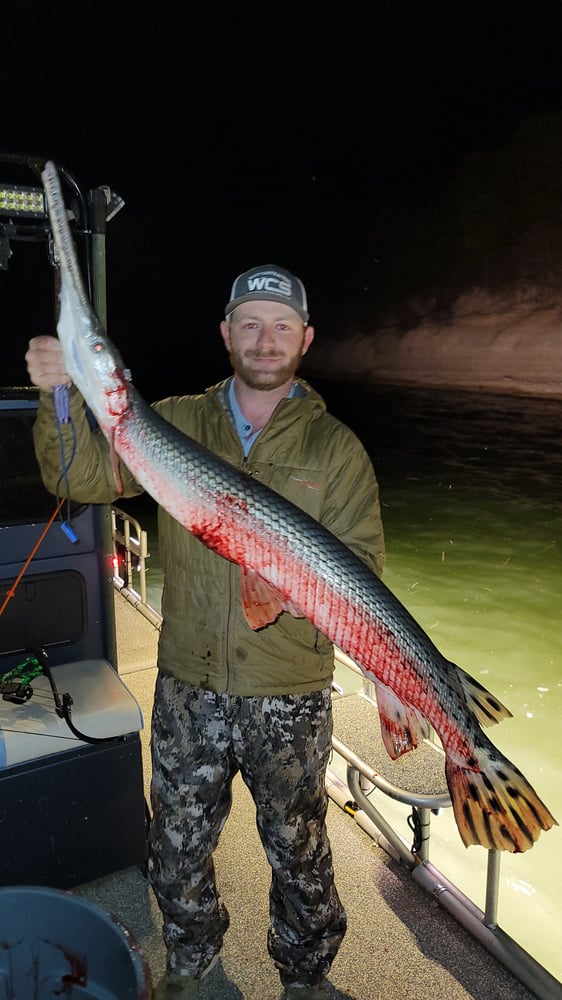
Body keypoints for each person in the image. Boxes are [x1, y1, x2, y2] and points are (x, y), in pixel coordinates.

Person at [26, 264, 385, 1000]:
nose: (265, 339)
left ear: (306, 339)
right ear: (225, 333)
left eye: (281, 325)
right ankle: (192, 962)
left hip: (289, 690)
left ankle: (306, 976)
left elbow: (364, 568)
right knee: (177, 849)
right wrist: (58, 391)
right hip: (189, 681)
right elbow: (79, 478)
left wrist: (287, 588)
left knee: (300, 851)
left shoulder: (338, 449)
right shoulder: (174, 420)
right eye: (249, 323)